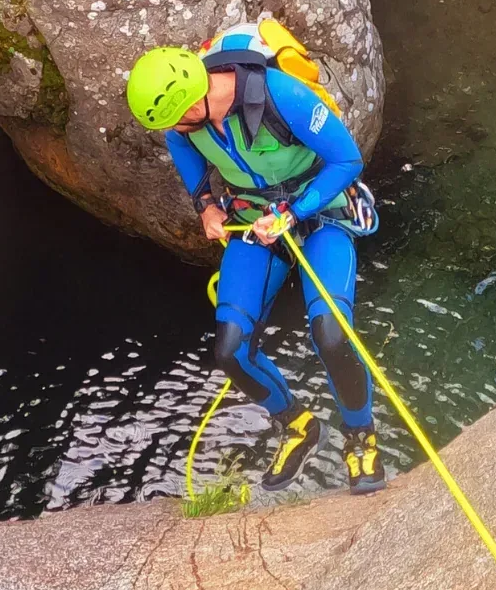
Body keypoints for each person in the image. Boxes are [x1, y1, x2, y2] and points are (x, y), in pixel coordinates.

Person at [127, 38, 386, 495]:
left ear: (193, 102)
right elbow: (182, 148)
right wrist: (206, 205)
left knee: (331, 333)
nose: (173, 132)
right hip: (251, 220)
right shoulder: (185, 124)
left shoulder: (280, 95)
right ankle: (298, 426)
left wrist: (294, 211)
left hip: (320, 214)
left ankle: (360, 436)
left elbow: (347, 159)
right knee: (230, 350)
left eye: (176, 121)